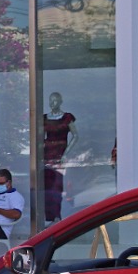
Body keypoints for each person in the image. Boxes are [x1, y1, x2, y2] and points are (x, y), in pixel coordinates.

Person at [43, 92, 78, 222]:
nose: (53, 103)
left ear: (60, 101)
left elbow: (75, 136)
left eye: (56, 100)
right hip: (46, 156)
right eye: (51, 100)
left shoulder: (67, 118)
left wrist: (66, 153)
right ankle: (48, 218)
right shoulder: (44, 118)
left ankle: (57, 216)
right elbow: (40, 138)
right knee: (46, 187)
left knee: (57, 187)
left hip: (60, 156)